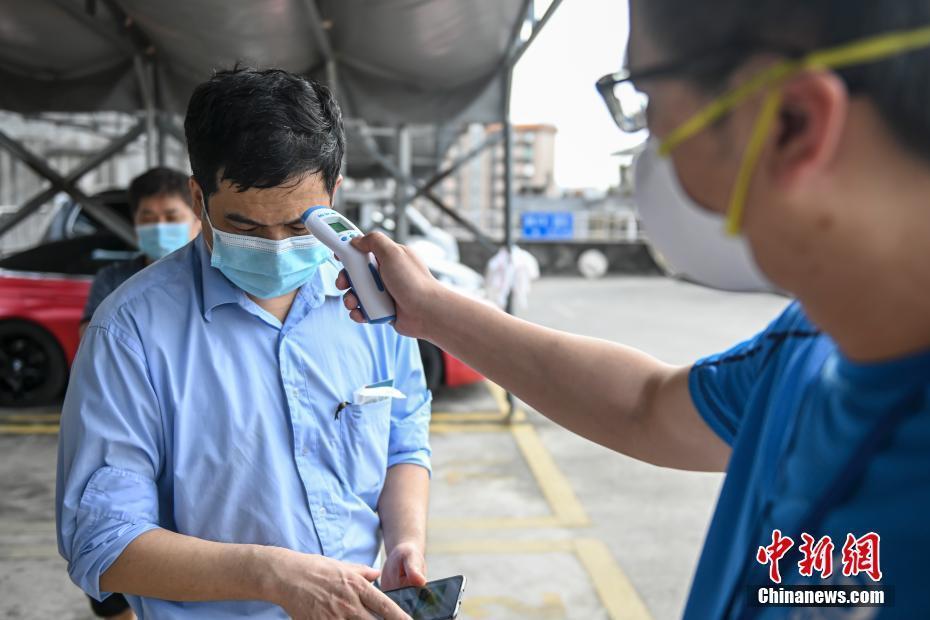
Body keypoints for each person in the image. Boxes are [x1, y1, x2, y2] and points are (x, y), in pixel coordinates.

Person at [337, 1, 930, 617]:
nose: (651, 146)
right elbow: (645, 405)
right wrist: (431, 309)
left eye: (647, 101)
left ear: (794, 123)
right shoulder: (809, 347)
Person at [57, 68, 428, 620]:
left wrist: (405, 540)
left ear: (335, 193)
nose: (276, 247)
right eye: (247, 228)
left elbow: (404, 440)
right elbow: (102, 540)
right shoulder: (130, 333)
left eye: (303, 227)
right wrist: (270, 576)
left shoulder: (373, 301)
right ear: (198, 196)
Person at [79, 167, 201, 340]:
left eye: (172, 218)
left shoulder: (214, 277)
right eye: (148, 219)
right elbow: (91, 337)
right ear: (135, 224)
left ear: (198, 220)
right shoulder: (113, 279)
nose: (159, 227)